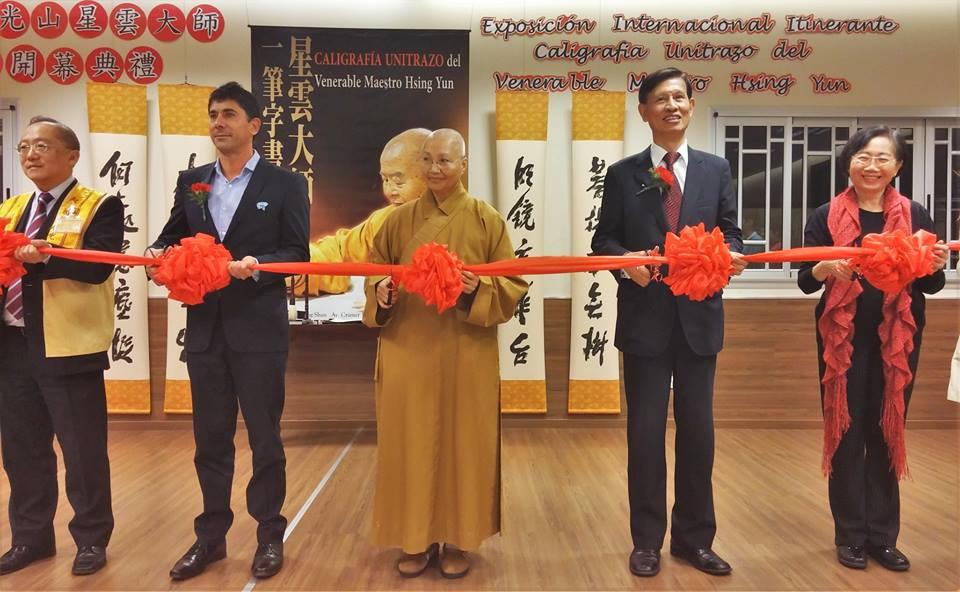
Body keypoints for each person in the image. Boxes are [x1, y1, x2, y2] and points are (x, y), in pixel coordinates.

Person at [146, 82, 310, 580]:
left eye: (230, 114)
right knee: (210, 439)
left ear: (254, 125)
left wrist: (257, 265)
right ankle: (210, 538)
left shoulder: (286, 184)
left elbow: (297, 253)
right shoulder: (193, 180)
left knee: (265, 439)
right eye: (214, 114)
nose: (218, 122)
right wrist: (157, 255)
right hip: (205, 331)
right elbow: (171, 236)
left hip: (259, 331)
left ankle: (269, 536)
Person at [591, 67, 746, 578]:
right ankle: (647, 542)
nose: (672, 105)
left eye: (680, 97)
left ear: (692, 106)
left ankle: (694, 540)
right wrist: (624, 263)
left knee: (698, 435)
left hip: (700, 320)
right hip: (646, 321)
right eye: (661, 99)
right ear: (644, 111)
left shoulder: (716, 169)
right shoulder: (624, 174)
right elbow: (603, 241)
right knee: (645, 436)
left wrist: (731, 256)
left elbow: (732, 233)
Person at [362, 128, 526, 579]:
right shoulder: (396, 221)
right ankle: (414, 538)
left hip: (465, 348)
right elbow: (372, 273)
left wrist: (478, 288)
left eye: (445, 161)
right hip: (408, 346)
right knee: (409, 442)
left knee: (464, 444)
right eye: (428, 160)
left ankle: (458, 538)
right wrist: (381, 291)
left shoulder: (486, 219)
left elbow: (512, 283)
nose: (435, 169)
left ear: (463, 165)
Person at [798, 126, 948, 571]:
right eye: (863, 156)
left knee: (887, 429)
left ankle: (883, 537)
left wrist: (933, 265)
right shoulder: (826, 214)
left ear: (898, 166)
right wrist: (824, 267)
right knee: (845, 431)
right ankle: (850, 537)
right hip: (840, 341)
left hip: (898, 340)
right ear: (849, 163)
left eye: (883, 158)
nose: (872, 166)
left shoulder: (915, 214)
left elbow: (933, 284)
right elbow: (806, 280)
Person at [0, 116, 123, 576]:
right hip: (12, 346)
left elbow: (98, 267)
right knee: (22, 450)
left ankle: (91, 539)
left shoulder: (99, 205)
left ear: (71, 156)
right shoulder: (10, 208)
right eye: (24, 147)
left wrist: (45, 257)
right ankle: (31, 539)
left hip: (69, 348)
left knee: (82, 451)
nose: (30, 154)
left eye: (42, 146)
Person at [296, 128, 430, 296]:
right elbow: (340, 251)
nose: (389, 192)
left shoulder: (460, 220)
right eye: (385, 180)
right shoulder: (386, 219)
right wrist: (296, 265)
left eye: (398, 182)